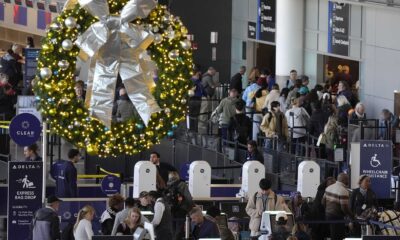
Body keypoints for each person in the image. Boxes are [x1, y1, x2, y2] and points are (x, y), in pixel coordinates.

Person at [322, 173, 354, 240]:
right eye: (347, 179)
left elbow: (323, 202)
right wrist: (352, 216)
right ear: (344, 180)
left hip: (327, 216)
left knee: (331, 236)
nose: (348, 181)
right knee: (338, 237)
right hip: (337, 217)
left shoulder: (328, 187)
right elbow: (344, 208)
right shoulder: (344, 191)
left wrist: (327, 210)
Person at [166, 171, 194, 240]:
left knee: (172, 229)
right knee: (180, 229)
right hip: (181, 210)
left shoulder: (168, 185)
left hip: (171, 210)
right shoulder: (182, 184)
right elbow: (189, 198)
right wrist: (189, 209)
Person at [198, 67, 217, 135]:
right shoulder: (208, 77)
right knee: (204, 111)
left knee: (205, 110)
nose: (214, 73)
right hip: (205, 96)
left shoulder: (206, 76)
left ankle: (203, 124)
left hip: (206, 96)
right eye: (214, 72)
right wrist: (217, 84)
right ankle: (202, 125)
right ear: (211, 71)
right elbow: (212, 86)